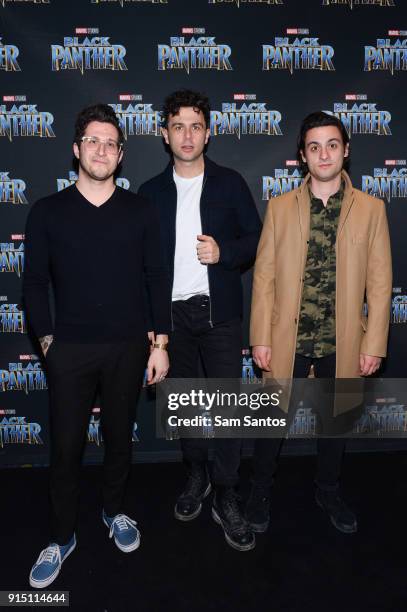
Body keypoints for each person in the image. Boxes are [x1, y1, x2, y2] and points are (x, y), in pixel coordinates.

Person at [24, 103, 170, 588]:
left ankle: (114, 512)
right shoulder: (47, 211)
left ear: (121, 154)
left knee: (117, 442)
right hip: (69, 352)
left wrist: (159, 343)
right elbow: (33, 284)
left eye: (110, 142)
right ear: (76, 149)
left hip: (129, 349)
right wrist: (49, 345)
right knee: (65, 449)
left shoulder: (142, 212)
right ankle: (62, 537)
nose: (101, 149)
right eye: (92, 140)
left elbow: (155, 278)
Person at [248, 111, 392, 535]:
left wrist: (374, 344)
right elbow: (264, 278)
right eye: (314, 146)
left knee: (336, 423)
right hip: (285, 338)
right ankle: (258, 490)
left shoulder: (371, 209)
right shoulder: (279, 207)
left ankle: (328, 490)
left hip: (343, 340)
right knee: (270, 425)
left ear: (346, 151)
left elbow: (381, 284)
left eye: (332, 144)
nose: (324, 153)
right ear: (302, 156)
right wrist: (260, 337)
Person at [138, 89, 262, 551]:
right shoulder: (149, 193)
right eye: (177, 126)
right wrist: (152, 326)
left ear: (208, 133)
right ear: (163, 134)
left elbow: (256, 238)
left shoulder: (230, 183)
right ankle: (196, 475)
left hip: (221, 315)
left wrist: (224, 252)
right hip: (171, 318)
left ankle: (227, 492)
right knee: (187, 406)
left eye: (195, 125)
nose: (186, 135)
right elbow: (142, 265)